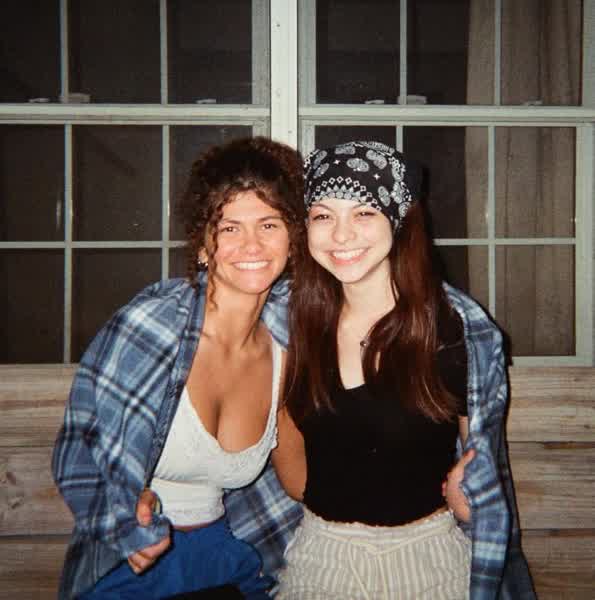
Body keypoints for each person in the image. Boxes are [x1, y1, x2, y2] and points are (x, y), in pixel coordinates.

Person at [271, 141, 536, 599]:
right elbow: (293, 473)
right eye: (323, 216)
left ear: (398, 220)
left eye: (364, 213)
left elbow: (479, 467)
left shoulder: (455, 331)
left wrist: (473, 498)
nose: (341, 235)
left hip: (430, 561)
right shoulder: (287, 324)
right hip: (320, 559)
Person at [51, 136, 305, 599]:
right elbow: (78, 449)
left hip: (230, 559)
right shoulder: (152, 326)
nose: (252, 244)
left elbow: (303, 482)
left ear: (292, 239)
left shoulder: (290, 341)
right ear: (203, 244)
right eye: (230, 227)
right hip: (134, 562)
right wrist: (125, 512)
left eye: (269, 224)